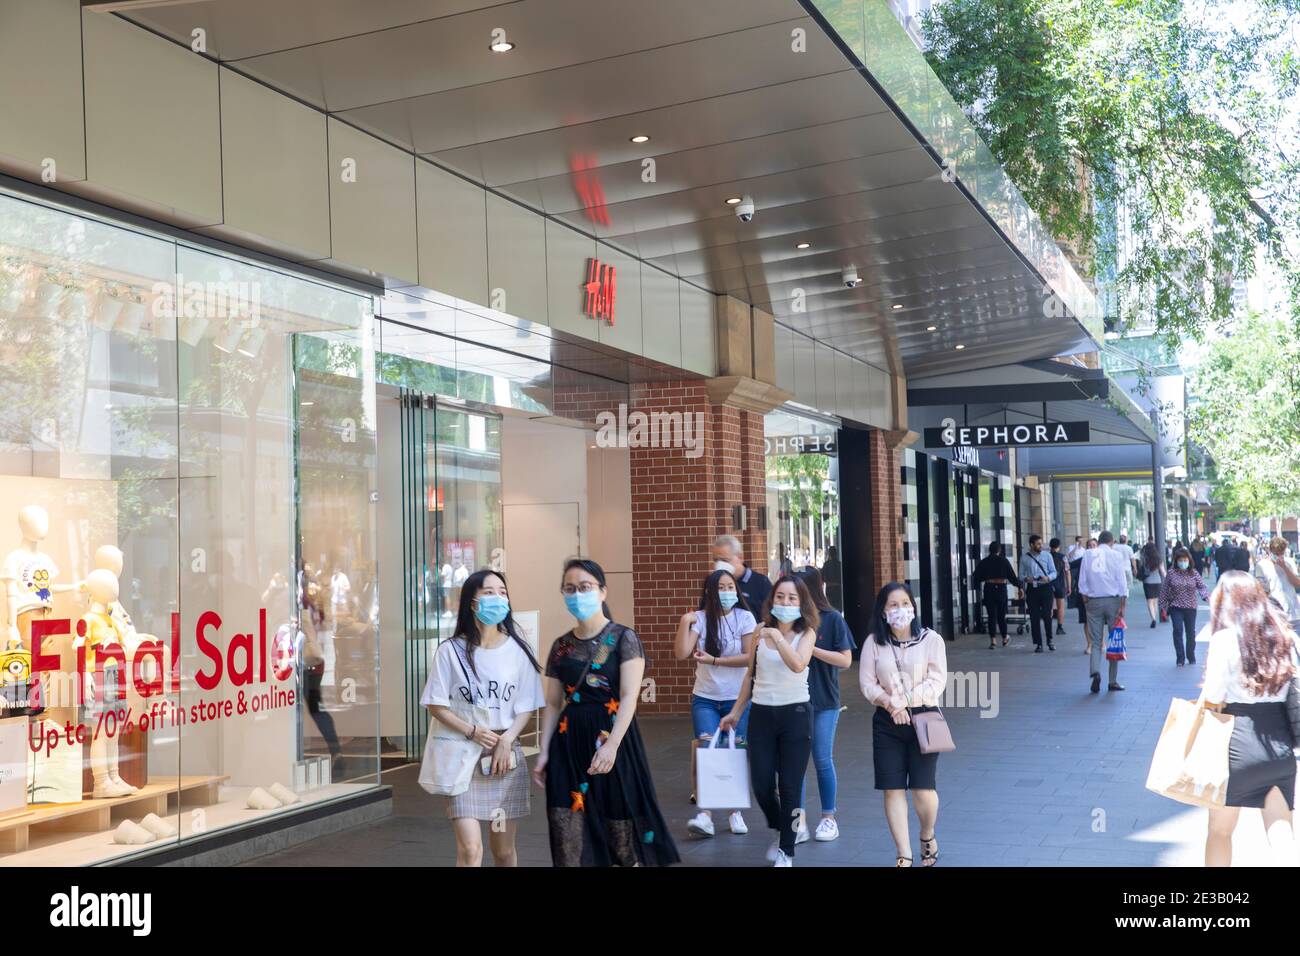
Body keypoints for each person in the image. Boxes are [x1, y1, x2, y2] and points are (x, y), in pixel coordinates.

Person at [534, 559, 679, 867]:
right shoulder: (561, 646)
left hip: (612, 739)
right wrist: (544, 751)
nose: (577, 594)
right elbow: (553, 703)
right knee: (568, 827)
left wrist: (612, 745)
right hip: (568, 742)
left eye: (585, 587)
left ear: (602, 591)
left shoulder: (624, 639)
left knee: (620, 828)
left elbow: (629, 697)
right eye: (570, 588)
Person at [422, 569, 543, 867]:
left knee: (503, 851)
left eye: (502, 592)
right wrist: (472, 731)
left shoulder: (518, 649)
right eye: (489, 592)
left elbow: (527, 705)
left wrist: (507, 740)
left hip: (504, 757)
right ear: (472, 602)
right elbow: (436, 704)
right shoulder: (450, 651)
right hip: (462, 755)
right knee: (470, 850)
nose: (498, 598)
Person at [1201, 572, 1299, 867]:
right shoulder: (1285, 637)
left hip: (1237, 743)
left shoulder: (1224, 639)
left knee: (1220, 831)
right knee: (1281, 830)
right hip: (1279, 744)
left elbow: (1213, 696)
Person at [719, 575, 817, 867]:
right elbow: (750, 675)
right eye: (780, 597)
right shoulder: (759, 631)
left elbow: (798, 664)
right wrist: (736, 711)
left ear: (801, 603)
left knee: (790, 786)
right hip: (761, 714)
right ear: (772, 600)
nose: (785, 602)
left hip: (795, 715)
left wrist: (777, 638)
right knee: (761, 783)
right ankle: (784, 827)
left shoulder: (807, 633)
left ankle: (786, 849)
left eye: (792, 598)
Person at [859, 583, 947, 867]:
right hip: (887, 722)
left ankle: (927, 833)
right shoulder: (874, 642)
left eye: (905, 603)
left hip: (926, 717)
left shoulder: (931, 639)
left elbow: (937, 681)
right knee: (893, 788)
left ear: (914, 607)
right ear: (883, 612)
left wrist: (904, 700)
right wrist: (891, 704)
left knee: (923, 789)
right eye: (893, 605)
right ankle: (904, 854)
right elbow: (867, 683)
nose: (900, 610)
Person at [675, 568, 757, 838]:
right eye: (721, 588)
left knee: (733, 751)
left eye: (730, 587)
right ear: (710, 591)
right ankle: (706, 814)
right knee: (708, 750)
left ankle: (735, 812)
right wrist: (685, 622)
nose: (726, 592)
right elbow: (682, 653)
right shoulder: (700, 618)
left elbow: (749, 658)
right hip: (705, 698)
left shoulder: (745, 617)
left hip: (736, 697)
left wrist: (714, 660)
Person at [794, 567, 855, 842]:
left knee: (821, 758)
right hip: (793, 701)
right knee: (795, 763)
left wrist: (812, 649)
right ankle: (797, 822)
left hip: (825, 700)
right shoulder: (791, 620)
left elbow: (845, 660)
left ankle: (828, 818)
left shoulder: (832, 619)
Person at [1077, 531, 1130, 693]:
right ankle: (1112, 681)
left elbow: (1082, 580)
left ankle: (1095, 672)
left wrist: (1085, 598)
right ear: (1111, 542)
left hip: (1093, 601)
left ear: (1099, 541)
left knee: (1095, 641)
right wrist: (1123, 605)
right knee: (1114, 641)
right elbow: (1122, 581)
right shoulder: (1116, 555)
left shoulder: (1088, 554)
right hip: (1113, 601)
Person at [1157, 545, 1209, 667]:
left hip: (1190, 607)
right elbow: (1164, 590)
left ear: (1189, 561)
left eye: (1185, 560)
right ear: (1176, 561)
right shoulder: (1171, 573)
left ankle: (1190, 655)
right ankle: (1180, 658)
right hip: (1176, 607)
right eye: (1180, 560)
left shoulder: (1194, 573)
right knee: (1178, 630)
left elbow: (1202, 586)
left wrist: (1205, 596)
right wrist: (1163, 606)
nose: (1183, 563)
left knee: (1190, 633)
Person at [971, 541, 1020, 649]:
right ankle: (1004, 638)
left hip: (989, 588)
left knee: (991, 616)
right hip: (1001, 588)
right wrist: (1019, 586)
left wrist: (982, 583)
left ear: (989, 550)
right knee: (1001, 616)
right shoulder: (1004, 561)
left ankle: (993, 640)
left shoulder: (984, 562)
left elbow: (976, 576)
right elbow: (1012, 576)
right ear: (999, 550)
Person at [712, 534, 772, 614]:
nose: (719, 564)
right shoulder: (713, 584)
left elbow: (769, 616)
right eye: (716, 560)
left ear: (740, 557)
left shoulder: (761, 583)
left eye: (725, 560)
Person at [1018, 534, 1058, 652]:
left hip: (1045, 588)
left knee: (1047, 615)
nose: (1041, 546)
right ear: (1031, 545)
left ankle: (1050, 640)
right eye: (1038, 544)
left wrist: (1048, 578)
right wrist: (1027, 579)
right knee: (1034, 617)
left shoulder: (1047, 555)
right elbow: (1020, 575)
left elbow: (1054, 572)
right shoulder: (1024, 558)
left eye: (1041, 543)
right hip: (1032, 589)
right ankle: (1038, 644)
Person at [1255, 536, 1300, 624]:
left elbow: (1297, 583)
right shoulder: (1262, 565)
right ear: (1270, 551)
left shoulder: (1289, 562)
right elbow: (1262, 590)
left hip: (1294, 614)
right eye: (1276, 553)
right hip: (1275, 614)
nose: (1279, 556)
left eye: (1281, 553)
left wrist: (1285, 567)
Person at [1138, 541, 1165, 628]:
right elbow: (1163, 572)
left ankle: (1153, 619)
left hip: (1147, 582)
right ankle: (1155, 617)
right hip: (1157, 581)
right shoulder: (1158, 559)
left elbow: (1141, 568)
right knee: (1155, 601)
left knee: (1149, 601)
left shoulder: (1144, 558)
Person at [1049, 538, 1071, 637]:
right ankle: (1059, 628)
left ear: (1050, 546)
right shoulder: (1063, 557)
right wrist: (1069, 586)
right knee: (1060, 607)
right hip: (1060, 584)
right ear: (1059, 546)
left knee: (1048, 606)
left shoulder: (1046, 556)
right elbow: (1067, 572)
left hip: (1048, 584)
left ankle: (1048, 626)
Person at [821, 546, 843, 610]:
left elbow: (822, 577)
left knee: (831, 607)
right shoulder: (839, 564)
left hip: (829, 588)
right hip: (838, 588)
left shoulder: (826, 564)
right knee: (838, 607)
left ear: (829, 554)